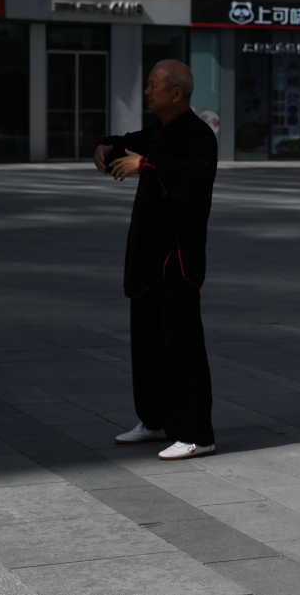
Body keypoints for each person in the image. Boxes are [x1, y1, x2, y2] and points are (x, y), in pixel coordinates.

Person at [93, 59, 218, 461]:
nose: (147, 91)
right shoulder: (157, 132)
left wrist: (144, 164)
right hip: (147, 259)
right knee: (146, 343)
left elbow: (190, 178)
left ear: (176, 93)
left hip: (177, 261)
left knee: (181, 345)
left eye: (152, 85)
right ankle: (156, 421)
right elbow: (127, 142)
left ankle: (196, 432)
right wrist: (106, 147)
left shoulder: (199, 136)